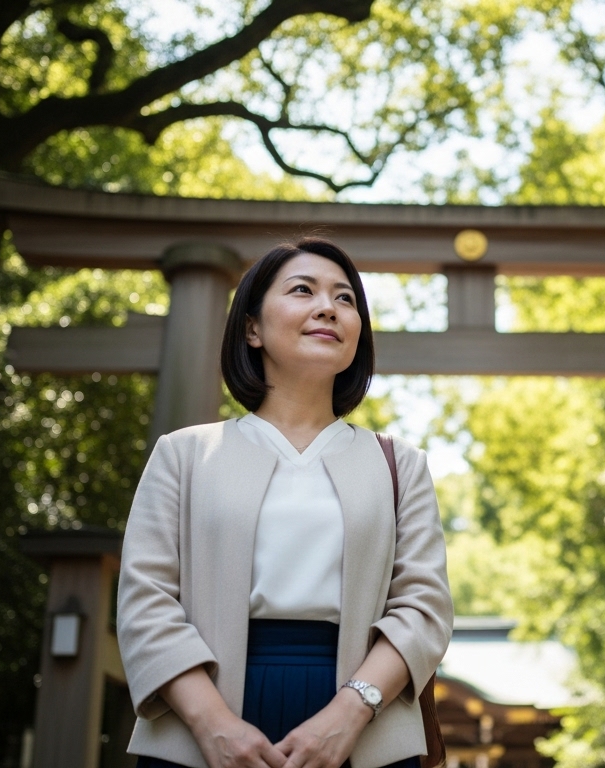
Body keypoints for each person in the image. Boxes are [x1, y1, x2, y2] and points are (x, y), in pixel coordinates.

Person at [116, 237, 453, 768]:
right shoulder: (183, 455)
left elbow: (423, 607)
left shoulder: (400, 464)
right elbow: (146, 600)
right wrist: (213, 723)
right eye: (303, 290)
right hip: (200, 716)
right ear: (252, 328)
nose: (329, 307)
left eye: (346, 299)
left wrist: (349, 712)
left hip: (363, 723)